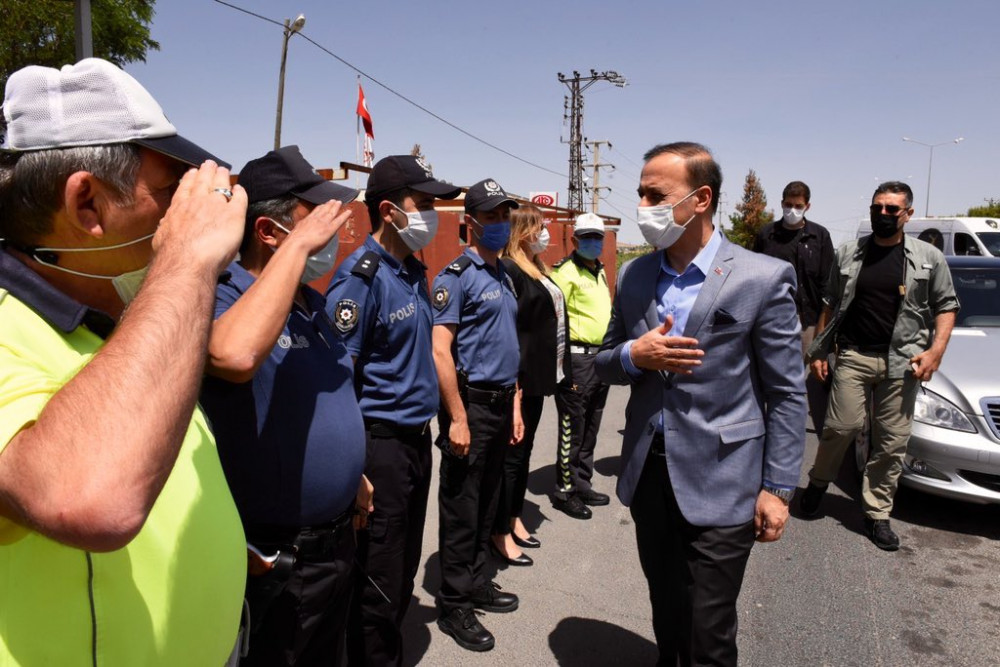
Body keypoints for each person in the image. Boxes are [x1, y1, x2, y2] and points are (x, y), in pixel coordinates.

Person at [0, 58, 246, 665]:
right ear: (87, 204)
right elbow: (90, 500)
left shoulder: (122, 314)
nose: (187, 213)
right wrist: (186, 259)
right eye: (172, 194)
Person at [595, 141, 806, 667]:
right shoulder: (638, 275)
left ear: (701, 198)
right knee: (667, 610)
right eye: (640, 193)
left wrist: (777, 488)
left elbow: (785, 391)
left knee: (708, 629)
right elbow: (601, 360)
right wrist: (634, 355)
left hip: (725, 476)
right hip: (651, 474)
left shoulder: (761, 277)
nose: (643, 205)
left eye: (655, 194)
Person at [199, 145, 369, 666]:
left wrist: (352, 474)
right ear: (269, 233)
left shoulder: (310, 302)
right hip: (278, 556)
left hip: (338, 540)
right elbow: (233, 354)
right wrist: (299, 252)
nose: (331, 233)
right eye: (313, 219)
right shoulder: (222, 294)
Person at [327, 154, 461, 666]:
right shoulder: (360, 279)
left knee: (401, 568)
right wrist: (355, 469)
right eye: (424, 204)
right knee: (378, 580)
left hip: (413, 444)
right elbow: (340, 382)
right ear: (389, 209)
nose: (434, 214)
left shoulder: (410, 269)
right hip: (379, 446)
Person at [801, 181, 959, 551]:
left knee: (891, 442)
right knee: (841, 426)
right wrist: (821, 352)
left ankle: (876, 514)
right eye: (878, 207)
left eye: (892, 209)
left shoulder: (928, 257)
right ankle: (819, 482)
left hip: (903, 360)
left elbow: (946, 306)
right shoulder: (849, 253)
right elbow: (830, 304)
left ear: (908, 214)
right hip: (854, 355)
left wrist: (935, 352)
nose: (883, 214)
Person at [432, 178, 523, 652]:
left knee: (487, 503)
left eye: (505, 215)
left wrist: (515, 405)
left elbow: (508, 345)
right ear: (471, 222)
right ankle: (453, 604)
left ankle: (474, 582)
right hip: (470, 406)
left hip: (501, 402)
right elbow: (441, 352)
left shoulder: (503, 273)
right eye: (491, 216)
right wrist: (457, 417)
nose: (501, 224)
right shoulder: (455, 276)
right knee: (462, 509)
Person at [491, 203, 569, 565]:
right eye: (539, 227)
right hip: (520, 382)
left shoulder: (536, 267)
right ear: (522, 231)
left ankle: (514, 517)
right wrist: (517, 391)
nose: (545, 233)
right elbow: (511, 333)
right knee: (512, 456)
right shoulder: (510, 269)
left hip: (540, 379)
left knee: (522, 455)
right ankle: (500, 531)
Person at [754, 181, 836, 431]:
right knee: (772, 376)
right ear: (781, 203)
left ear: (807, 206)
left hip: (809, 322)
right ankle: (769, 426)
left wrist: (826, 328)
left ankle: (809, 427)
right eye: (788, 205)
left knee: (809, 380)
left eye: (798, 206)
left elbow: (828, 285)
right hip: (773, 320)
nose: (792, 210)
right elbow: (754, 276)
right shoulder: (767, 235)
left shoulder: (819, 236)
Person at [549, 212, 613, 520]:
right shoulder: (565, 273)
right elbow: (555, 321)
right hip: (576, 358)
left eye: (597, 238)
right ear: (574, 241)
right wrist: (562, 366)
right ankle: (564, 490)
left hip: (600, 358)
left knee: (591, 425)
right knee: (572, 425)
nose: (592, 243)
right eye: (586, 237)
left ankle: (582, 481)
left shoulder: (599, 271)